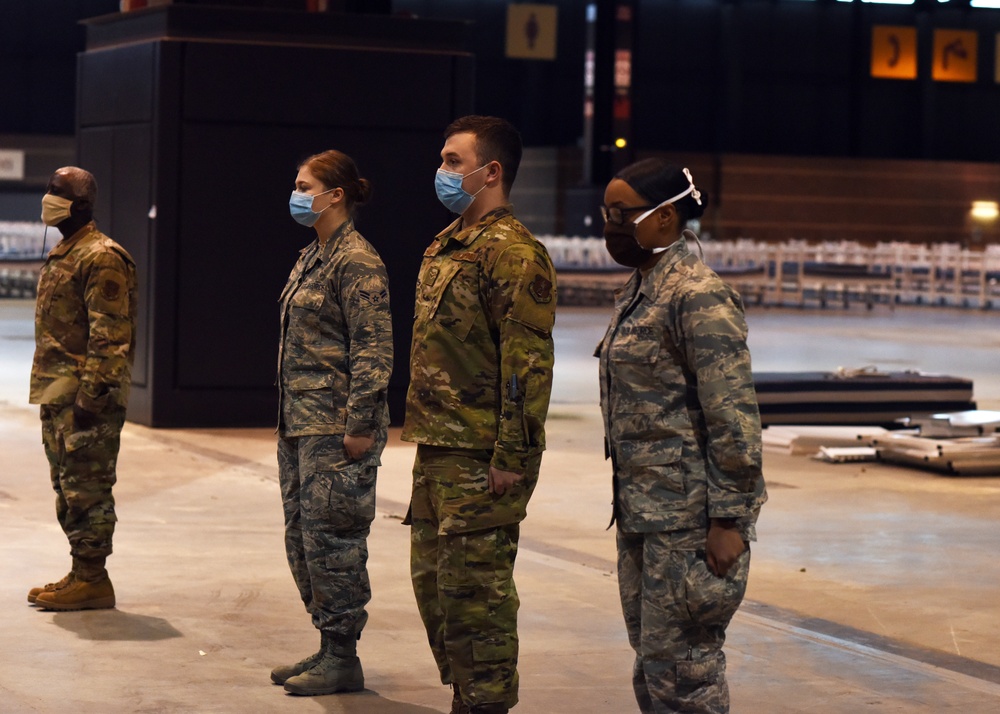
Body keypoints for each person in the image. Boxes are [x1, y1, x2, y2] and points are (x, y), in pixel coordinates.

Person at [596, 158, 767, 713]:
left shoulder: (697, 294)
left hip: (689, 520)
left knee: (686, 672)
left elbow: (733, 415)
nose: (610, 225)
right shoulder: (642, 287)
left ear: (664, 218)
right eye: (605, 213)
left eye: (621, 214)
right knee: (655, 664)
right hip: (645, 509)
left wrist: (729, 522)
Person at [401, 116, 557, 714]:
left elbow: (527, 365)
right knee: (435, 589)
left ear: (490, 172)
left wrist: (512, 458)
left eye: (452, 161)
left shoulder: (515, 254)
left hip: (481, 454)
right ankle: (468, 694)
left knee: (478, 599)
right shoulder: (445, 244)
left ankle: (485, 702)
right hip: (437, 446)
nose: (441, 172)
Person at [271, 150, 392, 696]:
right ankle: (327, 644)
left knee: (335, 540)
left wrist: (360, 424)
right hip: (300, 422)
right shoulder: (312, 255)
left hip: (336, 427)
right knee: (304, 539)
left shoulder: (356, 261)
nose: (296, 193)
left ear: (334, 194)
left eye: (304, 184)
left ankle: (344, 655)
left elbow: (373, 347)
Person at [27, 166, 138, 611]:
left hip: (85, 398)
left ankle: (93, 578)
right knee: (67, 485)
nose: (48, 197)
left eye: (57, 191)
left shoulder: (102, 256)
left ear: (82, 205)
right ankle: (81, 572)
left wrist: (93, 396)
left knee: (87, 488)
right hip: (59, 393)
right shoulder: (66, 252)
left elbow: (110, 334)